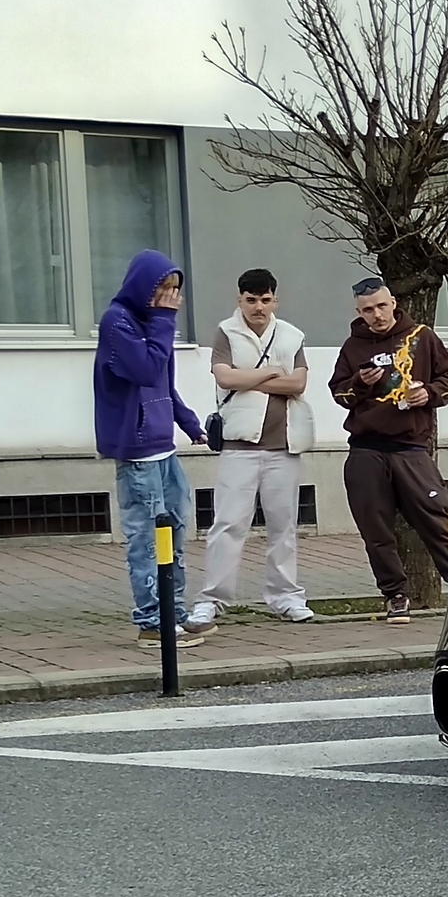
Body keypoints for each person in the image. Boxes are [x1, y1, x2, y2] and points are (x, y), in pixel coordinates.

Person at [93, 249, 213, 649]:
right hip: (138, 449)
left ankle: (174, 612)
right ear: (143, 286)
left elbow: (163, 381)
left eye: (175, 290)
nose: (170, 298)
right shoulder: (118, 322)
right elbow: (144, 369)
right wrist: (164, 321)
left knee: (175, 532)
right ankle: (151, 621)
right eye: (163, 288)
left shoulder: (154, 325)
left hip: (164, 448)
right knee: (147, 538)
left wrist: (190, 424)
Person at [189, 268, 316, 627]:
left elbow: (299, 383)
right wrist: (272, 373)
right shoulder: (227, 332)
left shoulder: (291, 335)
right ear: (239, 299)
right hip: (239, 444)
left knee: (283, 525)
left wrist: (252, 378)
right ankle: (212, 599)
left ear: (275, 299)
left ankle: (286, 597)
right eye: (250, 300)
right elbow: (226, 376)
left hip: (285, 444)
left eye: (264, 299)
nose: (258, 307)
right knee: (228, 524)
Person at [329, 276, 448, 625]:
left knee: (437, 521)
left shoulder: (422, 337)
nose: (376, 315)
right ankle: (395, 596)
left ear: (392, 304)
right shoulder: (352, 347)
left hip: (411, 449)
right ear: (359, 312)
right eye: (368, 310)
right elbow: (339, 394)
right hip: (365, 450)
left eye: (381, 306)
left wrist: (428, 394)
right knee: (375, 529)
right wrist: (359, 383)